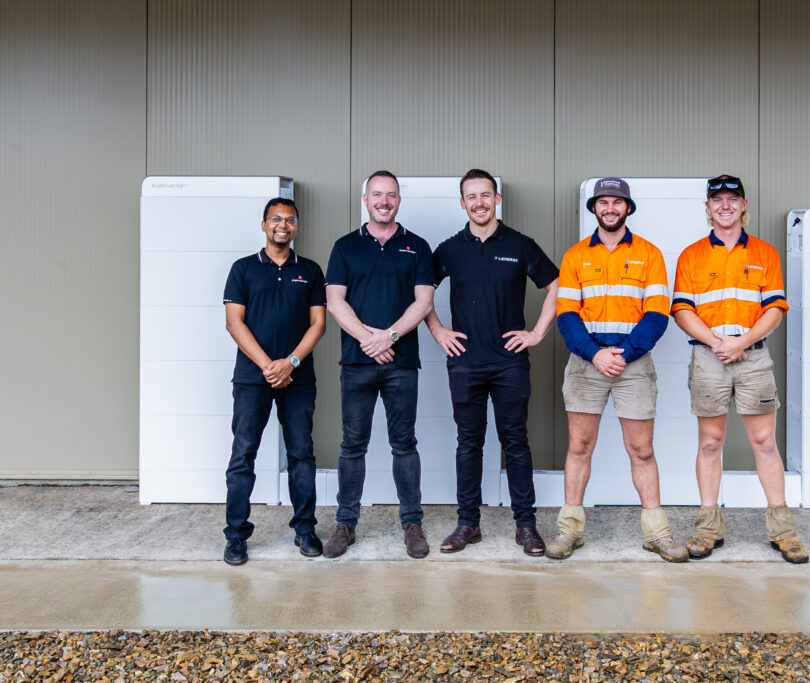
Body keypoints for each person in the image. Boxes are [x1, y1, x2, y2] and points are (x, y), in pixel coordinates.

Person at [671, 174, 809, 564]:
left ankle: (784, 531)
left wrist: (741, 343)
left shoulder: (764, 253)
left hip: (753, 359)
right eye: (718, 200)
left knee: (764, 443)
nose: (725, 206)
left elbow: (775, 309)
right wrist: (719, 344)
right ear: (708, 208)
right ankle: (708, 528)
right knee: (710, 443)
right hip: (709, 358)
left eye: (733, 199)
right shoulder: (692, 255)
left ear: (744, 205)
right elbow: (682, 309)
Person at [549, 177, 687, 562]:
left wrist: (623, 353)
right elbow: (567, 315)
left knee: (641, 450)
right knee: (580, 446)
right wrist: (595, 355)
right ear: (593, 208)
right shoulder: (576, 256)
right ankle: (569, 530)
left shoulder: (650, 255)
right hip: (586, 362)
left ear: (628, 208)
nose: (610, 208)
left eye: (617, 202)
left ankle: (657, 534)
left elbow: (657, 314)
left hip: (633, 364)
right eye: (603, 202)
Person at [426, 169, 559, 556]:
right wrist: (438, 331)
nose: (479, 203)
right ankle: (468, 524)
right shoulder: (450, 249)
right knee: (469, 444)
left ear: (497, 199)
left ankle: (526, 526)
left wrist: (535, 333)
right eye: (471, 197)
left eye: (486, 195)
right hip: (465, 362)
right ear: (462, 203)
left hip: (509, 364)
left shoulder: (519, 244)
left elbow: (557, 286)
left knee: (515, 442)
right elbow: (421, 293)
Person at [323, 170, 435, 559]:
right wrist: (368, 340)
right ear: (365, 199)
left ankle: (412, 524)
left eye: (391, 195)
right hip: (356, 363)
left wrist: (388, 337)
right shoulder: (344, 247)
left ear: (399, 200)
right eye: (377, 194)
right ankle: (345, 525)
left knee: (404, 445)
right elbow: (335, 301)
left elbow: (423, 302)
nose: (384, 201)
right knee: (352, 445)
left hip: (402, 364)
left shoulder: (417, 246)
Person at [222, 197, 327, 566]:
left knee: (301, 455)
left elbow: (319, 324)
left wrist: (291, 362)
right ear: (264, 225)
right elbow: (234, 322)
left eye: (290, 220)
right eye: (276, 219)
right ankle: (236, 536)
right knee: (243, 455)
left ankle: (305, 529)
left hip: (298, 378)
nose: (283, 225)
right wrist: (270, 366)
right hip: (253, 378)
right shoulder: (243, 269)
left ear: (296, 227)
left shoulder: (311, 271)